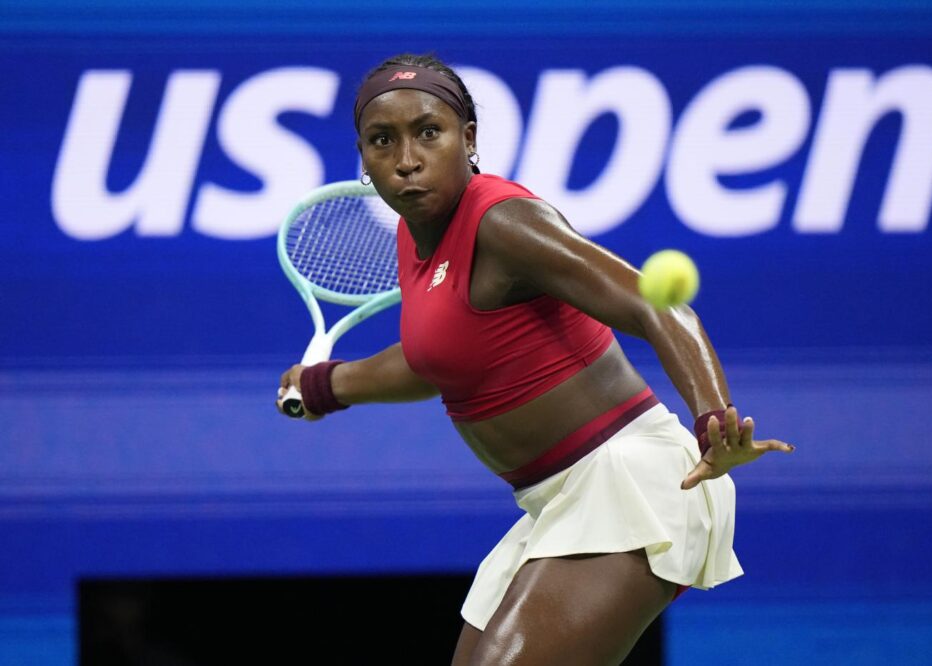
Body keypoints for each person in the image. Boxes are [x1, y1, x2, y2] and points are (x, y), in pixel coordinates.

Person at [278, 53, 794, 666]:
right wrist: (328, 385)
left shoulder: (505, 221)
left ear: (468, 139)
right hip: (557, 499)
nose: (407, 159)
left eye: (428, 132)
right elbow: (437, 361)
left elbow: (656, 306)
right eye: (382, 140)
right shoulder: (414, 236)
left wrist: (713, 420)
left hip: (628, 479)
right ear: (363, 157)